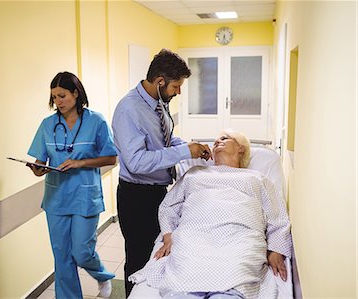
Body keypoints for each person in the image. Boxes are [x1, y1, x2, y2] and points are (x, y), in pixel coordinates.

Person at [130, 129, 293, 299]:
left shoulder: (257, 178)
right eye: (215, 141)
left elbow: (277, 216)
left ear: (241, 148)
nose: (217, 142)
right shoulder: (194, 174)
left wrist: (275, 250)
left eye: (224, 138)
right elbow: (168, 207)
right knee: (184, 269)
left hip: (239, 239)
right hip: (194, 236)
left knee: (237, 271)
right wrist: (169, 236)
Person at [112, 48, 211, 296]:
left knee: (158, 256)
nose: (178, 92)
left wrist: (187, 146)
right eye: (176, 86)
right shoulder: (129, 110)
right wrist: (183, 152)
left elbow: (162, 140)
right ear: (159, 82)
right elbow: (136, 162)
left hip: (158, 192)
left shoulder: (158, 102)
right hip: (136, 196)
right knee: (138, 259)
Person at [27, 71, 117, 299]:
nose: (58, 102)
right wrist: (38, 169)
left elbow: (111, 158)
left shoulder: (96, 121)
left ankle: (103, 275)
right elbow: (40, 164)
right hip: (56, 198)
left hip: (85, 197)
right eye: (54, 97)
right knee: (62, 256)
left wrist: (81, 162)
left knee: (82, 252)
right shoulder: (48, 125)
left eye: (62, 96)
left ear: (76, 93)